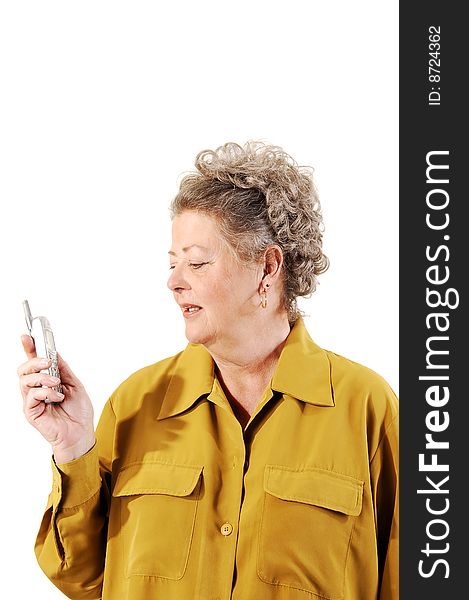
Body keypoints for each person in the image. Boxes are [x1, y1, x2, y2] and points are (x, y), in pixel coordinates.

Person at [18, 141, 398, 600]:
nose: (175, 281)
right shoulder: (136, 403)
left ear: (268, 266)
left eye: (197, 262)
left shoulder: (366, 409)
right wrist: (72, 445)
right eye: (173, 263)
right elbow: (81, 576)